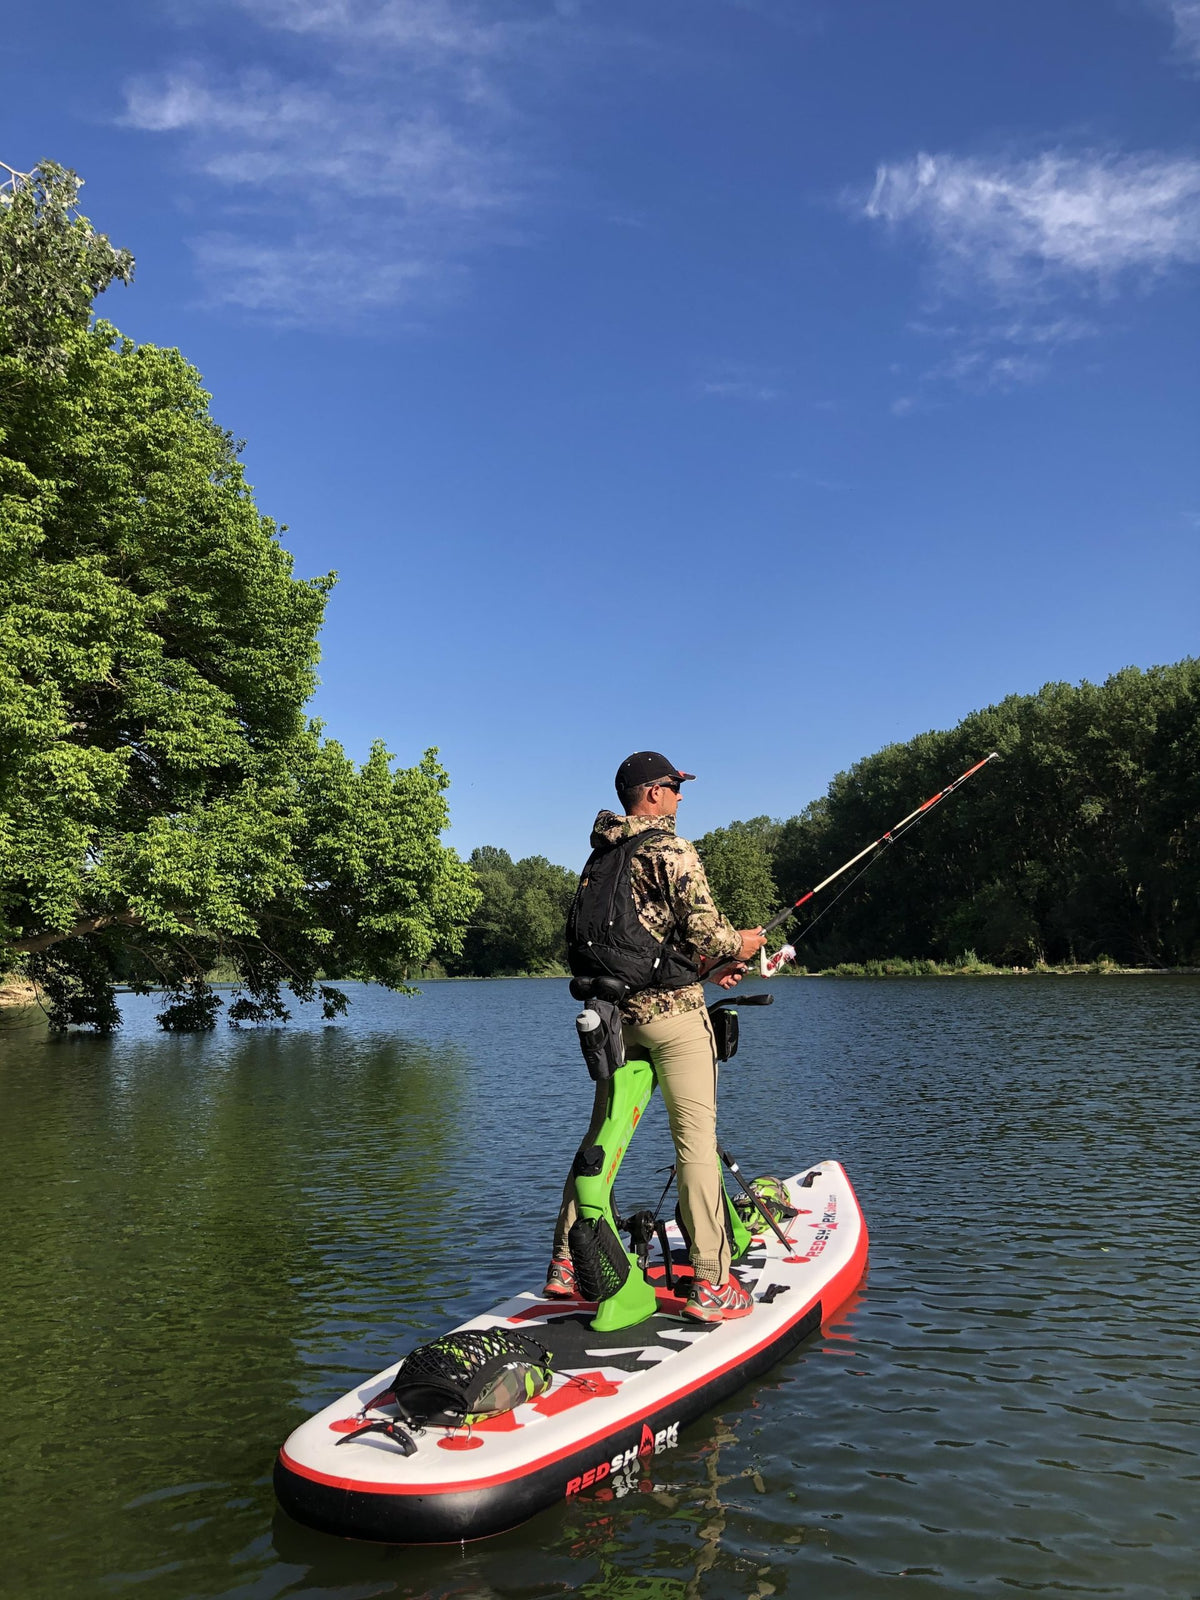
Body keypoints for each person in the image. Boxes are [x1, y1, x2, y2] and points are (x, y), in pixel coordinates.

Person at [545, 751, 766, 1324]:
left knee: (601, 1139)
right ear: (650, 793)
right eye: (673, 786)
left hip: (616, 1019)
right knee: (695, 1144)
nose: (680, 796)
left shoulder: (600, 856)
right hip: (674, 1021)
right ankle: (714, 1283)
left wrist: (705, 971)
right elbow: (704, 929)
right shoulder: (669, 848)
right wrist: (738, 944)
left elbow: (642, 949)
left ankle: (568, 1263)